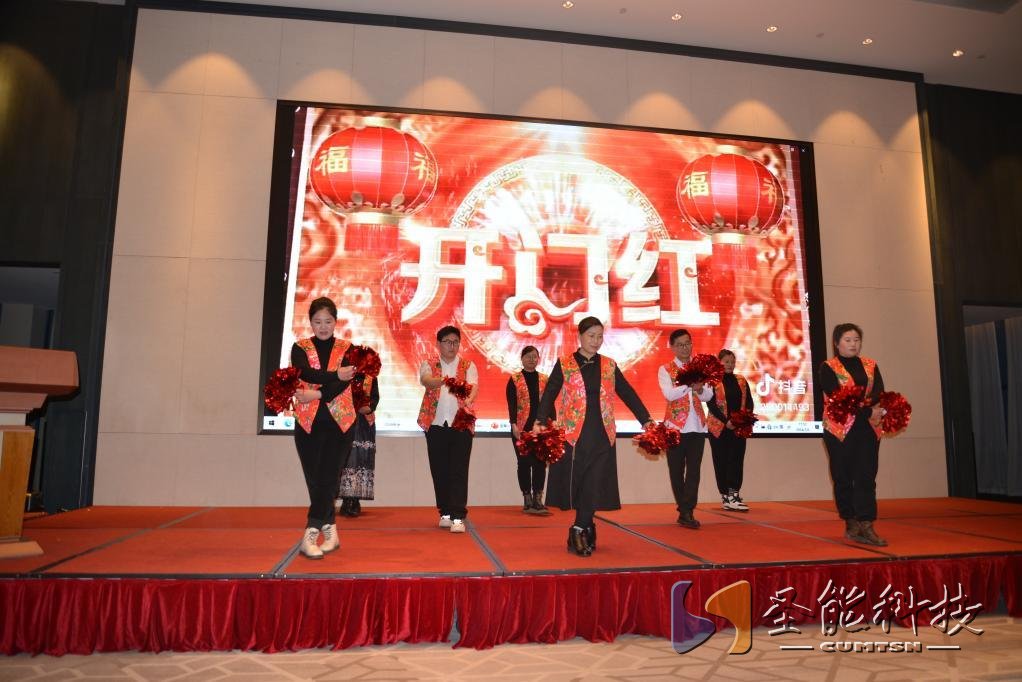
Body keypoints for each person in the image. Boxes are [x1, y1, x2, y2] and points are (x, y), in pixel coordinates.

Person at [535, 317, 654, 557]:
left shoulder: (609, 365)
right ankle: (587, 527)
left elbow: (627, 393)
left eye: (600, 336)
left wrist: (646, 419)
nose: (596, 341)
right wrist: (539, 420)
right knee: (580, 484)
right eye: (591, 335)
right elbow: (549, 393)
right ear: (580, 336)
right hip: (574, 435)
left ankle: (578, 530)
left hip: (602, 434)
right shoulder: (565, 363)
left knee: (594, 482)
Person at [291, 297, 356, 559]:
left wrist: (316, 394)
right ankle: (331, 533)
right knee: (316, 482)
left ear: (335, 322)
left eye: (328, 321)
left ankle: (309, 535)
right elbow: (305, 373)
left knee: (328, 478)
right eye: (317, 321)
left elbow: (343, 383)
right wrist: (335, 375)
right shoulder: (300, 347)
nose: (323, 326)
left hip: (340, 424)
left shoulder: (348, 348)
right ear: (310, 322)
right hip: (307, 423)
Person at [819, 322, 888, 546]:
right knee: (843, 476)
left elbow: (878, 391)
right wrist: (867, 410)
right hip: (839, 430)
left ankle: (867, 524)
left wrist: (871, 410)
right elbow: (838, 398)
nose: (853, 344)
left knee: (866, 476)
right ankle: (851, 523)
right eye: (847, 340)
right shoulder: (828, 367)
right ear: (837, 343)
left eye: (856, 340)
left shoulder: (870, 365)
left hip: (867, 428)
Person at [418, 325, 479, 534]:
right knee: (439, 470)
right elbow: (426, 381)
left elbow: (473, 388)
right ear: (438, 344)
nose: (452, 346)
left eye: (455, 342)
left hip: (461, 424)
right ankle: (444, 512)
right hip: (435, 425)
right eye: (447, 342)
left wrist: (468, 399)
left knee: (459, 470)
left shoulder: (468, 365)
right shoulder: (429, 364)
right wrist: (444, 380)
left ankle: (458, 516)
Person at [658, 329, 714, 529]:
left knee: (694, 471)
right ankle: (684, 510)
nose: (685, 348)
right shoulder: (665, 369)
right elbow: (669, 394)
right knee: (676, 471)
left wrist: (700, 388)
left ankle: (687, 510)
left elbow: (708, 396)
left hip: (697, 427)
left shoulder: (701, 368)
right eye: (680, 345)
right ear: (672, 347)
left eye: (688, 343)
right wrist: (689, 384)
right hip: (674, 427)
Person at [706, 349, 755, 512]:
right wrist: (726, 421)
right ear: (719, 362)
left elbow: (749, 402)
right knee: (721, 460)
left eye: (732, 361)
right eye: (726, 361)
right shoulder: (713, 381)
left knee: (737, 460)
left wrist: (744, 419)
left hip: (738, 428)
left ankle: (734, 494)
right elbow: (711, 404)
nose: (730, 364)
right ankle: (726, 496)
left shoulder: (741, 380)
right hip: (719, 428)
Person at [506, 345, 552, 515]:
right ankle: (527, 499)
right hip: (521, 429)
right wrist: (513, 424)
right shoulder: (515, 379)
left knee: (540, 463)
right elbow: (511, 403)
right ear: (522, 359)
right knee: (524, 463)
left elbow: (550, 402)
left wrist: (552, 423)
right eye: (528, 356)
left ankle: (538, 499)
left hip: (541, 428)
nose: (531, 359)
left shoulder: (544, 379)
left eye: (534, 356)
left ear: (538, 359)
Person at [336, 373, 379, 517]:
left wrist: (368, 407)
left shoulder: (370, 376)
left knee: (360, 460)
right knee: (345, 459)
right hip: (343, 420)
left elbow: (374, 398)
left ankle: (354, 500)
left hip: (364, 424)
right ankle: (345, 500)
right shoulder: (341, 372)